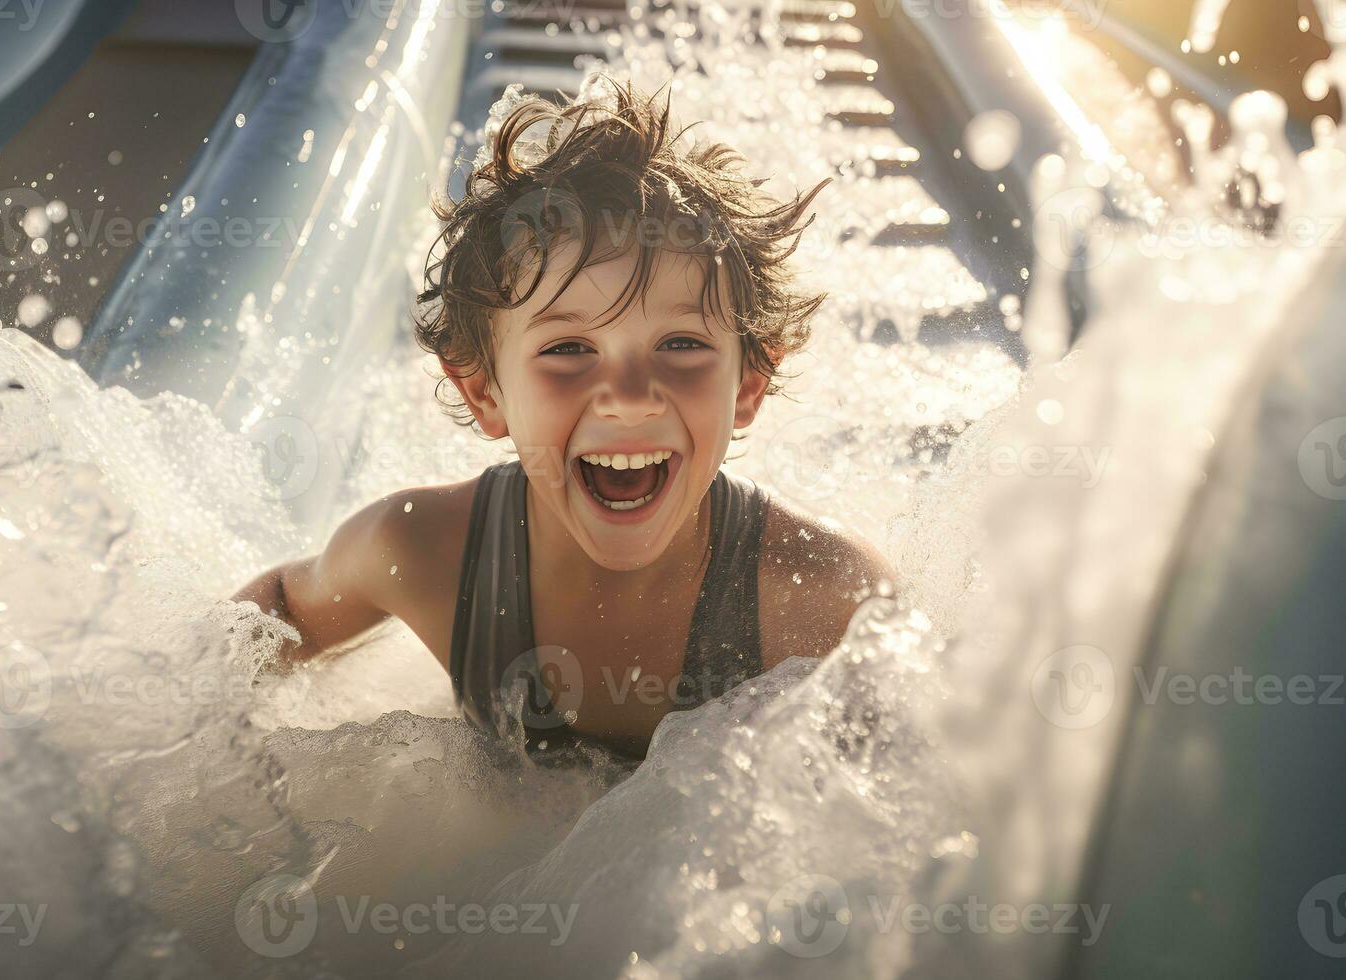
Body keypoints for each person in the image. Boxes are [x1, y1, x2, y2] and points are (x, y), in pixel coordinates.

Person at [232, 74, 894, 762]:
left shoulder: (821, 600)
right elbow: (283, 603)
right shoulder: (426, 555)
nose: (630, 395)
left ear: (749, 383)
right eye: (570, 349)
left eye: (682, 345)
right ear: (484, 392)